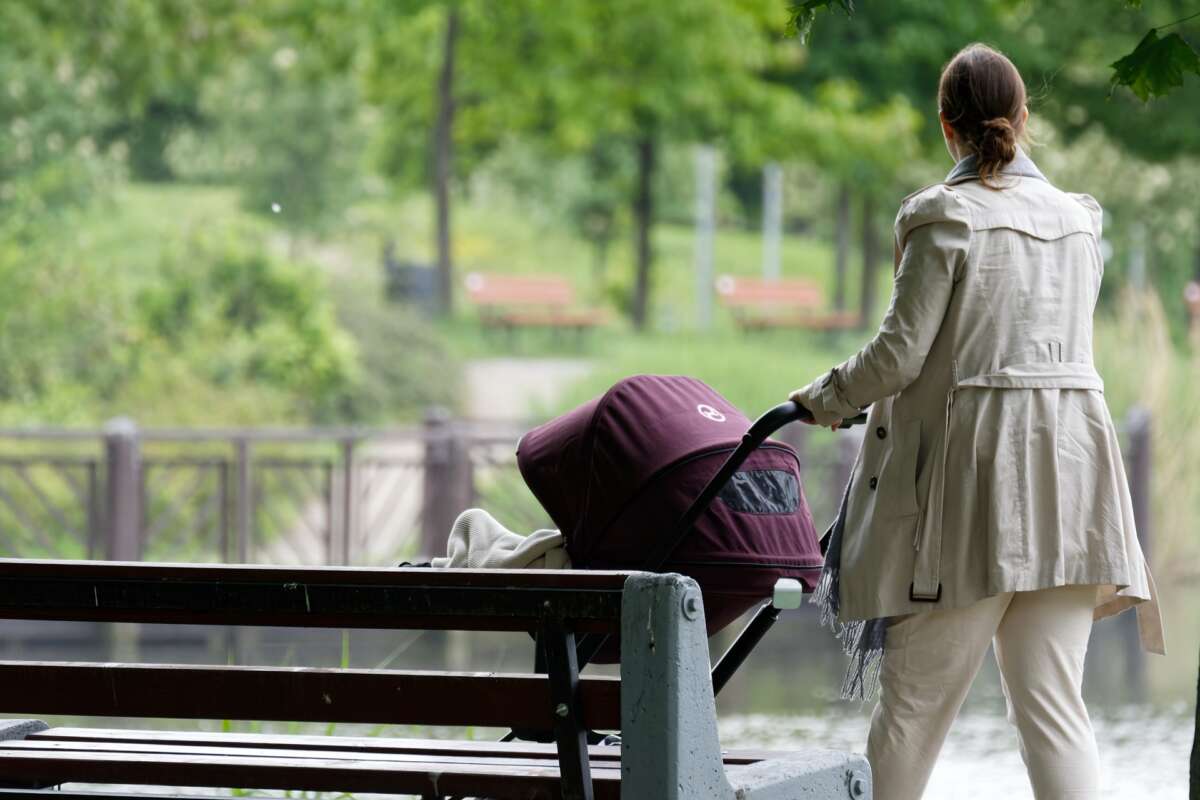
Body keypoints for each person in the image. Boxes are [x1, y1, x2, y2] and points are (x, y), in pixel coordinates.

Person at [789, 42, 1165, 800]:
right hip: (1071, 489)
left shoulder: (943, 218)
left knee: (913, 713)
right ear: (1023, 119)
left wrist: (822, 400)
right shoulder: (1077, 223)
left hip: (968, 497)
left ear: (944, 126)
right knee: (1056, 715)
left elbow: (899, 357)